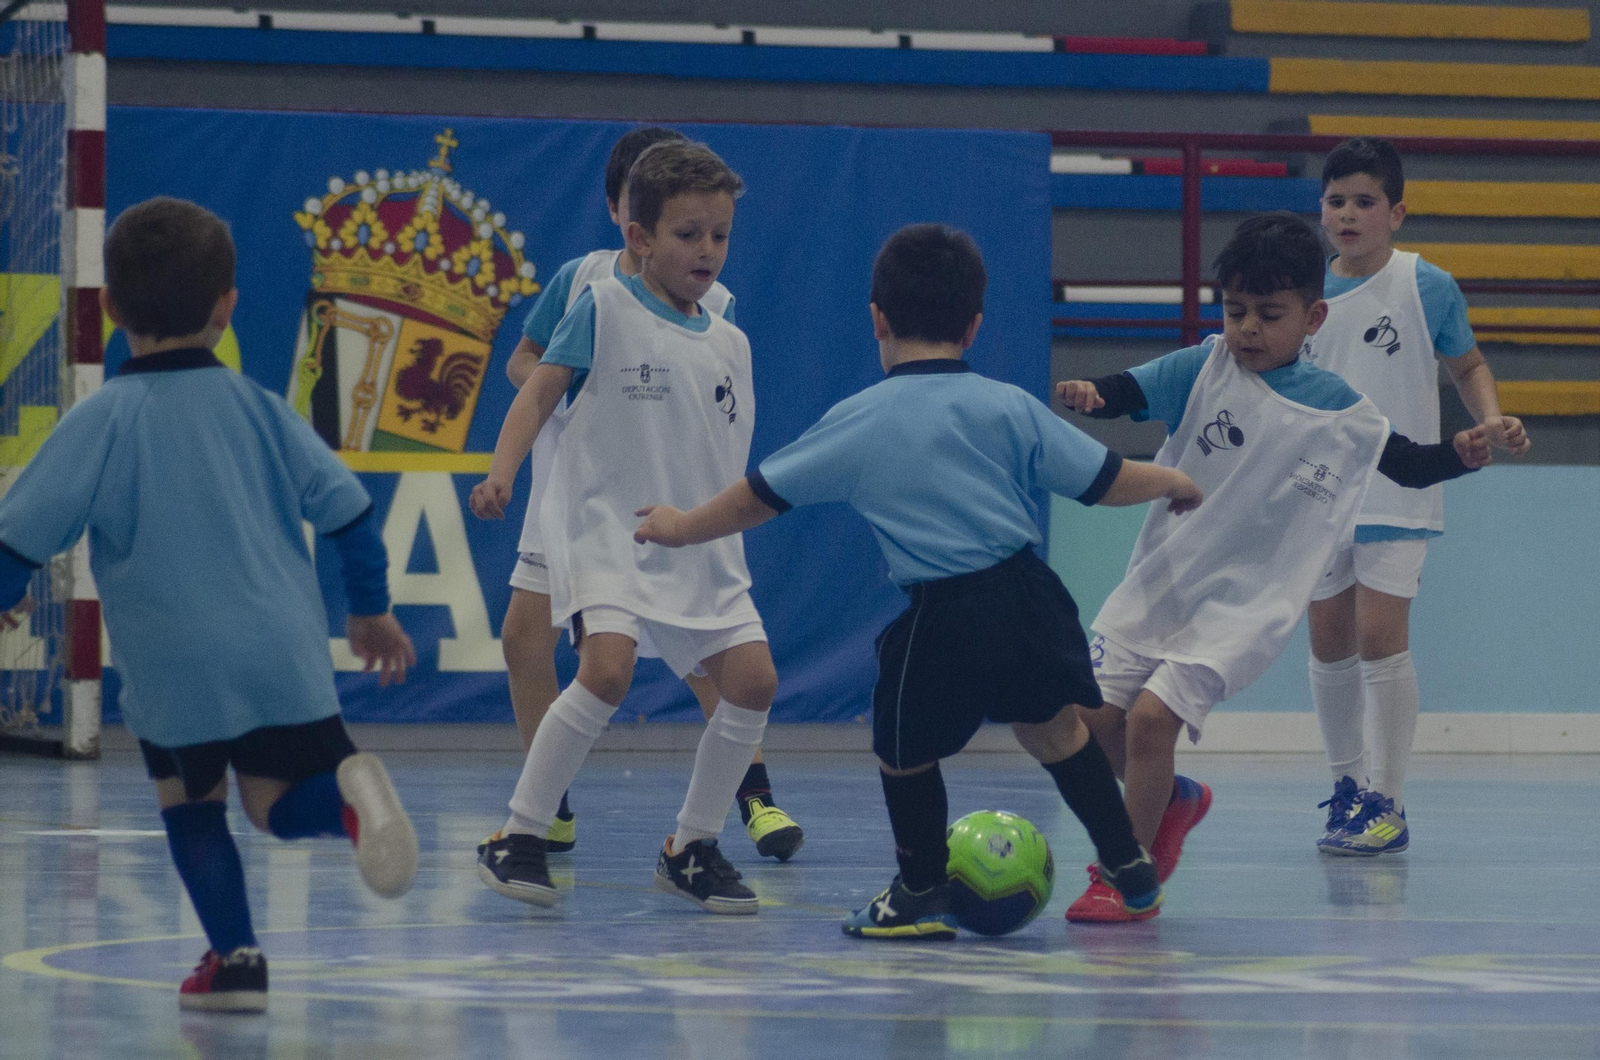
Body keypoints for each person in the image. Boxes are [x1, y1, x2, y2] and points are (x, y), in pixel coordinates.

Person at [635, 223, 1200, 938]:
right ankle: (1130, 868)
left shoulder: (859, 419)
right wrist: (1172, 479)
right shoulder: (1007, 404)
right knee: (1057, 731)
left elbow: (758, 496)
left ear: (877, 319)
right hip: (1029, 596)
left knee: (902, 752)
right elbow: (1104, 480)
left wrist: (681, 526)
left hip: (944, 613)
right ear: (974, 325)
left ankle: (921, 890)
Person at [0, 197, 420, 1010]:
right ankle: (346, 804)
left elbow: (19, 537)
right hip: (282, 653)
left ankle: (236, 964)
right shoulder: (260, 408)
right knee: (273, 803)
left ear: (109, 306)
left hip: (176, 664)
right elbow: (349, 510)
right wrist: (369, 610)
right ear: (226, 308)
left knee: (193, 805)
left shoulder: (102, 419)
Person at [1053, 212, 1493, 921]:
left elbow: (1410, 465)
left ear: (1313, 318)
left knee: (1151, 724)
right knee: (1086, 717)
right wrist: (1091, 393)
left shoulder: (1342, 412)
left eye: (1268, 314)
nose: (1248, 329)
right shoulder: (1203, 366)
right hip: (1157, 587)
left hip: (1241, 609)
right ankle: (1172, 800)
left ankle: (1125, 877)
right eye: (1235, 312)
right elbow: (1126, 390)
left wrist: (1461, 455)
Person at [469, 140, 775, 914]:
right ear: (638, 237)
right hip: (608, 530)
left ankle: (692, 846)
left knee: (753, 682)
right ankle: (522, 833)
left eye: (720, 235)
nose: (707, 250)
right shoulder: (601, 307)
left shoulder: (732, 341)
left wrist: (709, 523)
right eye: (688, 234)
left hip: (695, 539)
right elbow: (538, 391)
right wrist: (502, 472)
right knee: (605, 671)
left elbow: (723, 452)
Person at [1307, 138, 1531, 855]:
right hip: (1317, 491)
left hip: (1399, 487)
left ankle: (1389, 802)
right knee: (1328, 641)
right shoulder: (1303, 292)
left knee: (1380, 637)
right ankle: (1346, 790)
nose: (1348, 214)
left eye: (1364, 201)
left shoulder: (1425, 284)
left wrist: (1489, 417)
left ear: (1396, 213)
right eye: (1336, 201)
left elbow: (1468, 365)